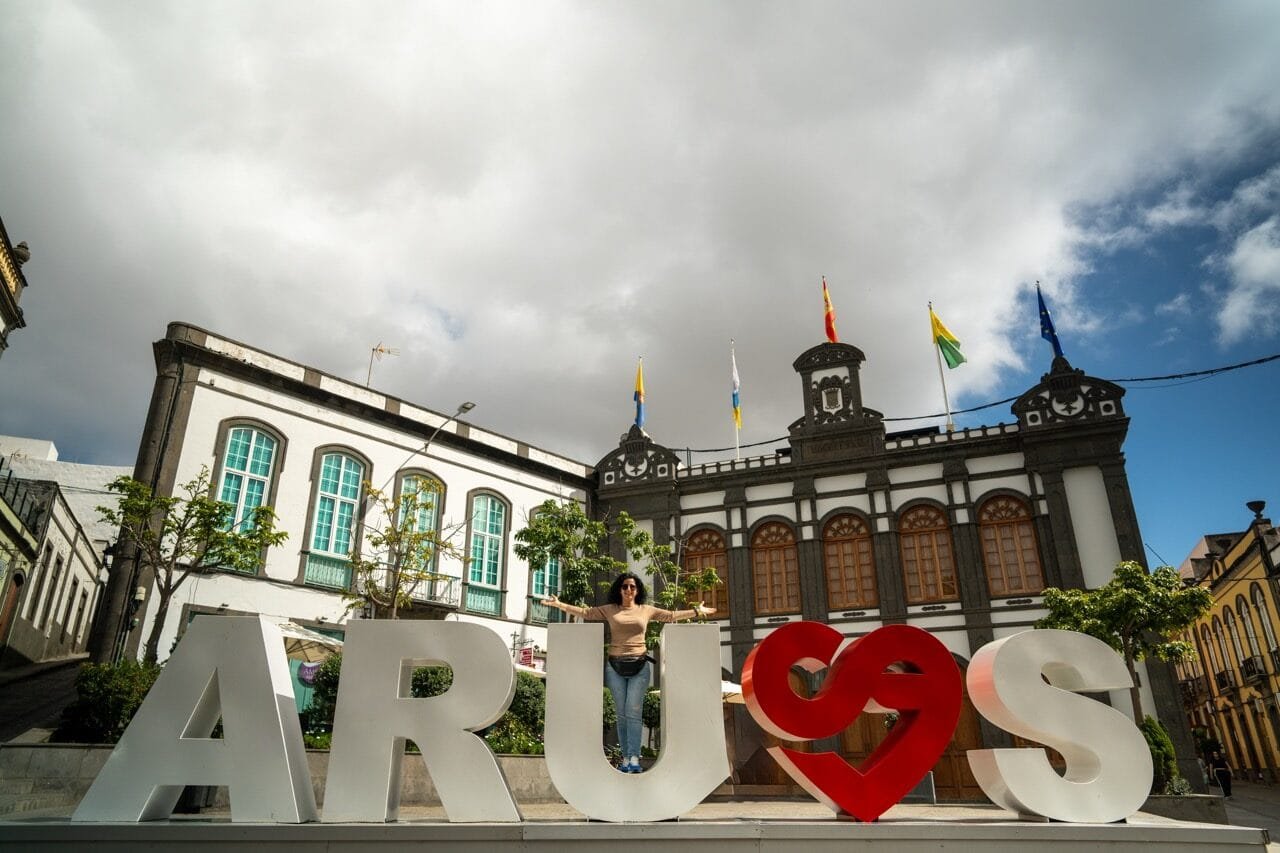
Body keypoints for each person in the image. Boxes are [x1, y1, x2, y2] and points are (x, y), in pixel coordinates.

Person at [543, 572, 714, 773]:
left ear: (638, 590)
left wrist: (696, 611)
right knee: (621, 714)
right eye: (625, 586)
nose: (629, 590)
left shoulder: (645, 610)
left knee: (633, 712)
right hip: (614, 666)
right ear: (619, 589)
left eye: (632, 586)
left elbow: (670, 616)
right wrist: (559, 604)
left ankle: (634, 758)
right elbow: (586, 612)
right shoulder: (610, 609)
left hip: (640, 666)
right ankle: (625, 758)